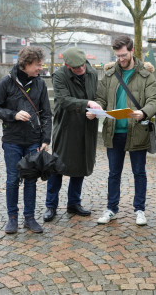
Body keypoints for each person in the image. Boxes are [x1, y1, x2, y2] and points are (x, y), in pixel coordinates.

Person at [87, 35, 156, 226]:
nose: (121, 59)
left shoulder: (146, 74)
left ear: (132, 50)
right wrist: (96, 110)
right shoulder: (110, 75)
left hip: (136, 130)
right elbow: (100, 98)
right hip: (113, 131)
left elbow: (154, 100)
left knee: (139, 172)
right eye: (118, 55)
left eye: (124, 55)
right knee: (113, 173)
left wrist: (143, 112)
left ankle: (140, 210)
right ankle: (112, 209)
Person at [0, 46, 52, 234]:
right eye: (37, 65)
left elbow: (47, 114)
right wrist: (13, 115)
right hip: (12, 140)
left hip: (33, 140)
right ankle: (12, 218)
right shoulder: (6, 82)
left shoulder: (40, 84)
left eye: (41, 64)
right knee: (13, 179)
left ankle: (29, 218)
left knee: (31, 178)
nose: (40, 68)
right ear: (26, 64)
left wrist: (46, 138)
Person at [43, 47, 101, 222]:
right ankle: (51, 205)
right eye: (76, 68)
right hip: (66, 126)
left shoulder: (92, 72)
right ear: (67, 66)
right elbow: (63, 100)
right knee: (57, 166)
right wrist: (88, 103)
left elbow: (97, 94)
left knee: (80, 166)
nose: (81, 69)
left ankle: (74, 203)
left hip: (86, 125)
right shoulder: (59, 75)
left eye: (82, 66)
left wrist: (96, 106)